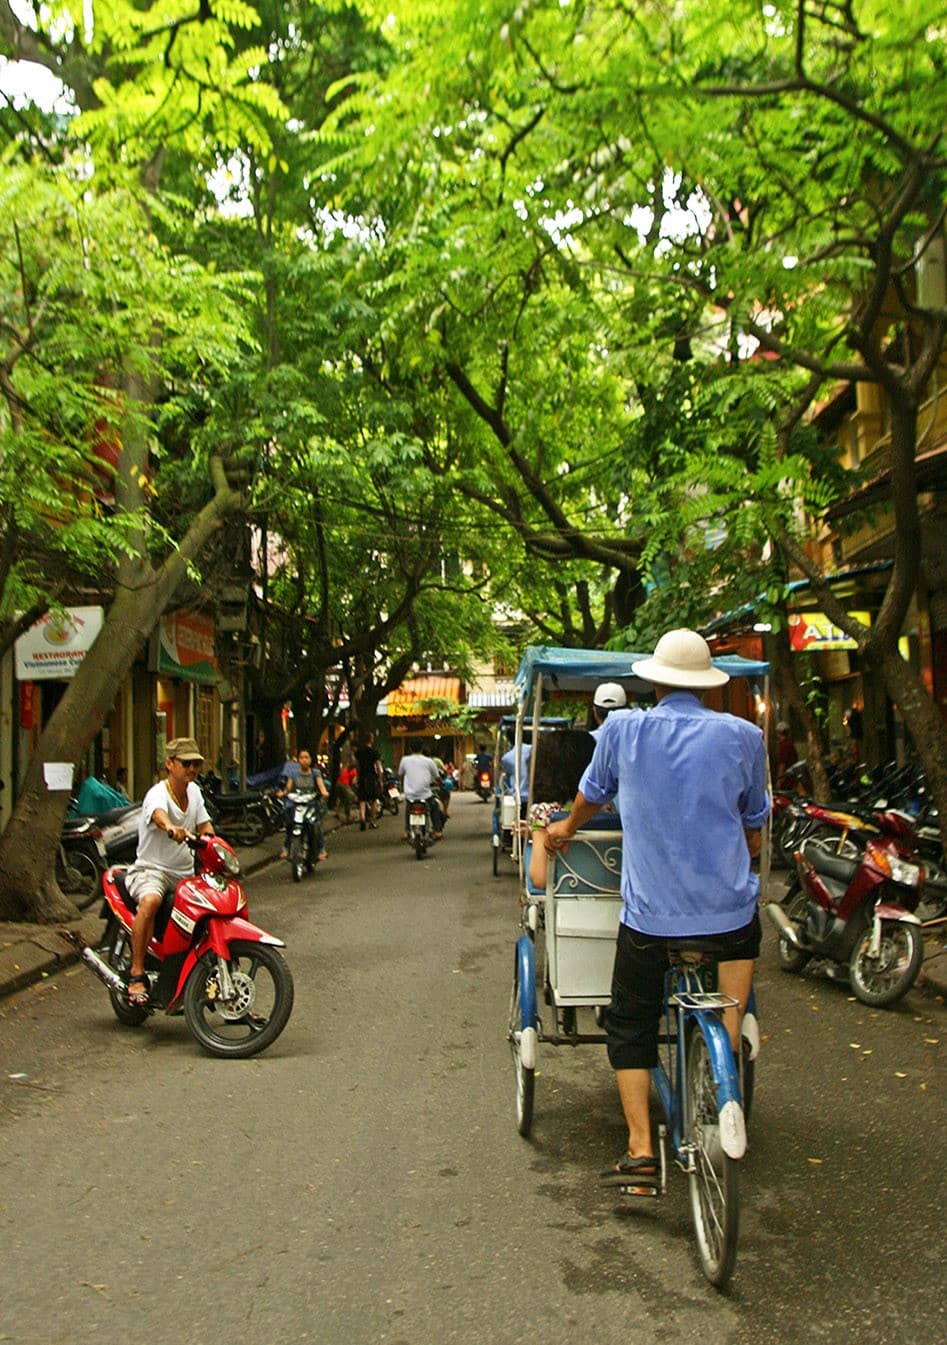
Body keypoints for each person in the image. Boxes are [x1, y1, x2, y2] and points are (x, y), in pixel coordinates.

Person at [544, 629, 770, 1185]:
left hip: (649, 924)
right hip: (731, 922)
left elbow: (590, 794)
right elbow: (756, 832)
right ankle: (728, 1063)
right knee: (733, 993)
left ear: (654, 680)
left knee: (631, 1023)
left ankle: (641, 1150)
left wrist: (566, 828)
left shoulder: (622, 729)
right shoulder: (745, 736)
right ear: (708, 685)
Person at [123, 738, 215, 1007]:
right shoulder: (157, 793)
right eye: (186, 763)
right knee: (151, 901)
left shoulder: (195, 792)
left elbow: (205, 825)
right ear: (169, 764)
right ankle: (136, 973)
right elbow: (159, 815)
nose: (192, 769)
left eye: (195, 764)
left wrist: (212, 841)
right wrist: (171, 827)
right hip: (152, 871)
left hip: (184, 875)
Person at [277, 748, 330, 861]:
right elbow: (288, 788)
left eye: (306, 757)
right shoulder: (293, 773)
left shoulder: (315, 773)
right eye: (301, 758)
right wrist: (283, 793)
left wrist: (324, 793)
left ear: (311, 760)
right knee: (291, 824)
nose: (304, 760)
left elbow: (321, 787)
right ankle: (286, 847)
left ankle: (321, 849)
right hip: (297, 803)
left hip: (311, 803)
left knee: (315, 825)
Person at [398, 739, 443, 839]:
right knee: (434, 808)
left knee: (408, 809)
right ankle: (437, 831)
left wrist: (403, 787)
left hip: (410, 794)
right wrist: (441, 784)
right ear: (422, 748)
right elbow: (437, 777)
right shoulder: (428, 761)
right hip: (425, 794)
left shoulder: (404, 760)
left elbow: (400, 775)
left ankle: (407, 831)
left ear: (410, 749)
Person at [355, 731, 383, 830]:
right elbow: (378, 767)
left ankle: (362, 819)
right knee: (374, 799)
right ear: (371, 740)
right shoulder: (374, 752)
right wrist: (380, 779)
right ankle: (372, 821)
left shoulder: (359, 752)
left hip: (362, 777)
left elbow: (357, 765)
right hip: (372, 777)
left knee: (362, 800)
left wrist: (358, 776)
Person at [775, 720, 797, 785]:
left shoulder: (784, 745)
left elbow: (782, 763)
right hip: (792, 776)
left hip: (786, 778)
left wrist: (779, 779)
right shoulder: (790, 744)